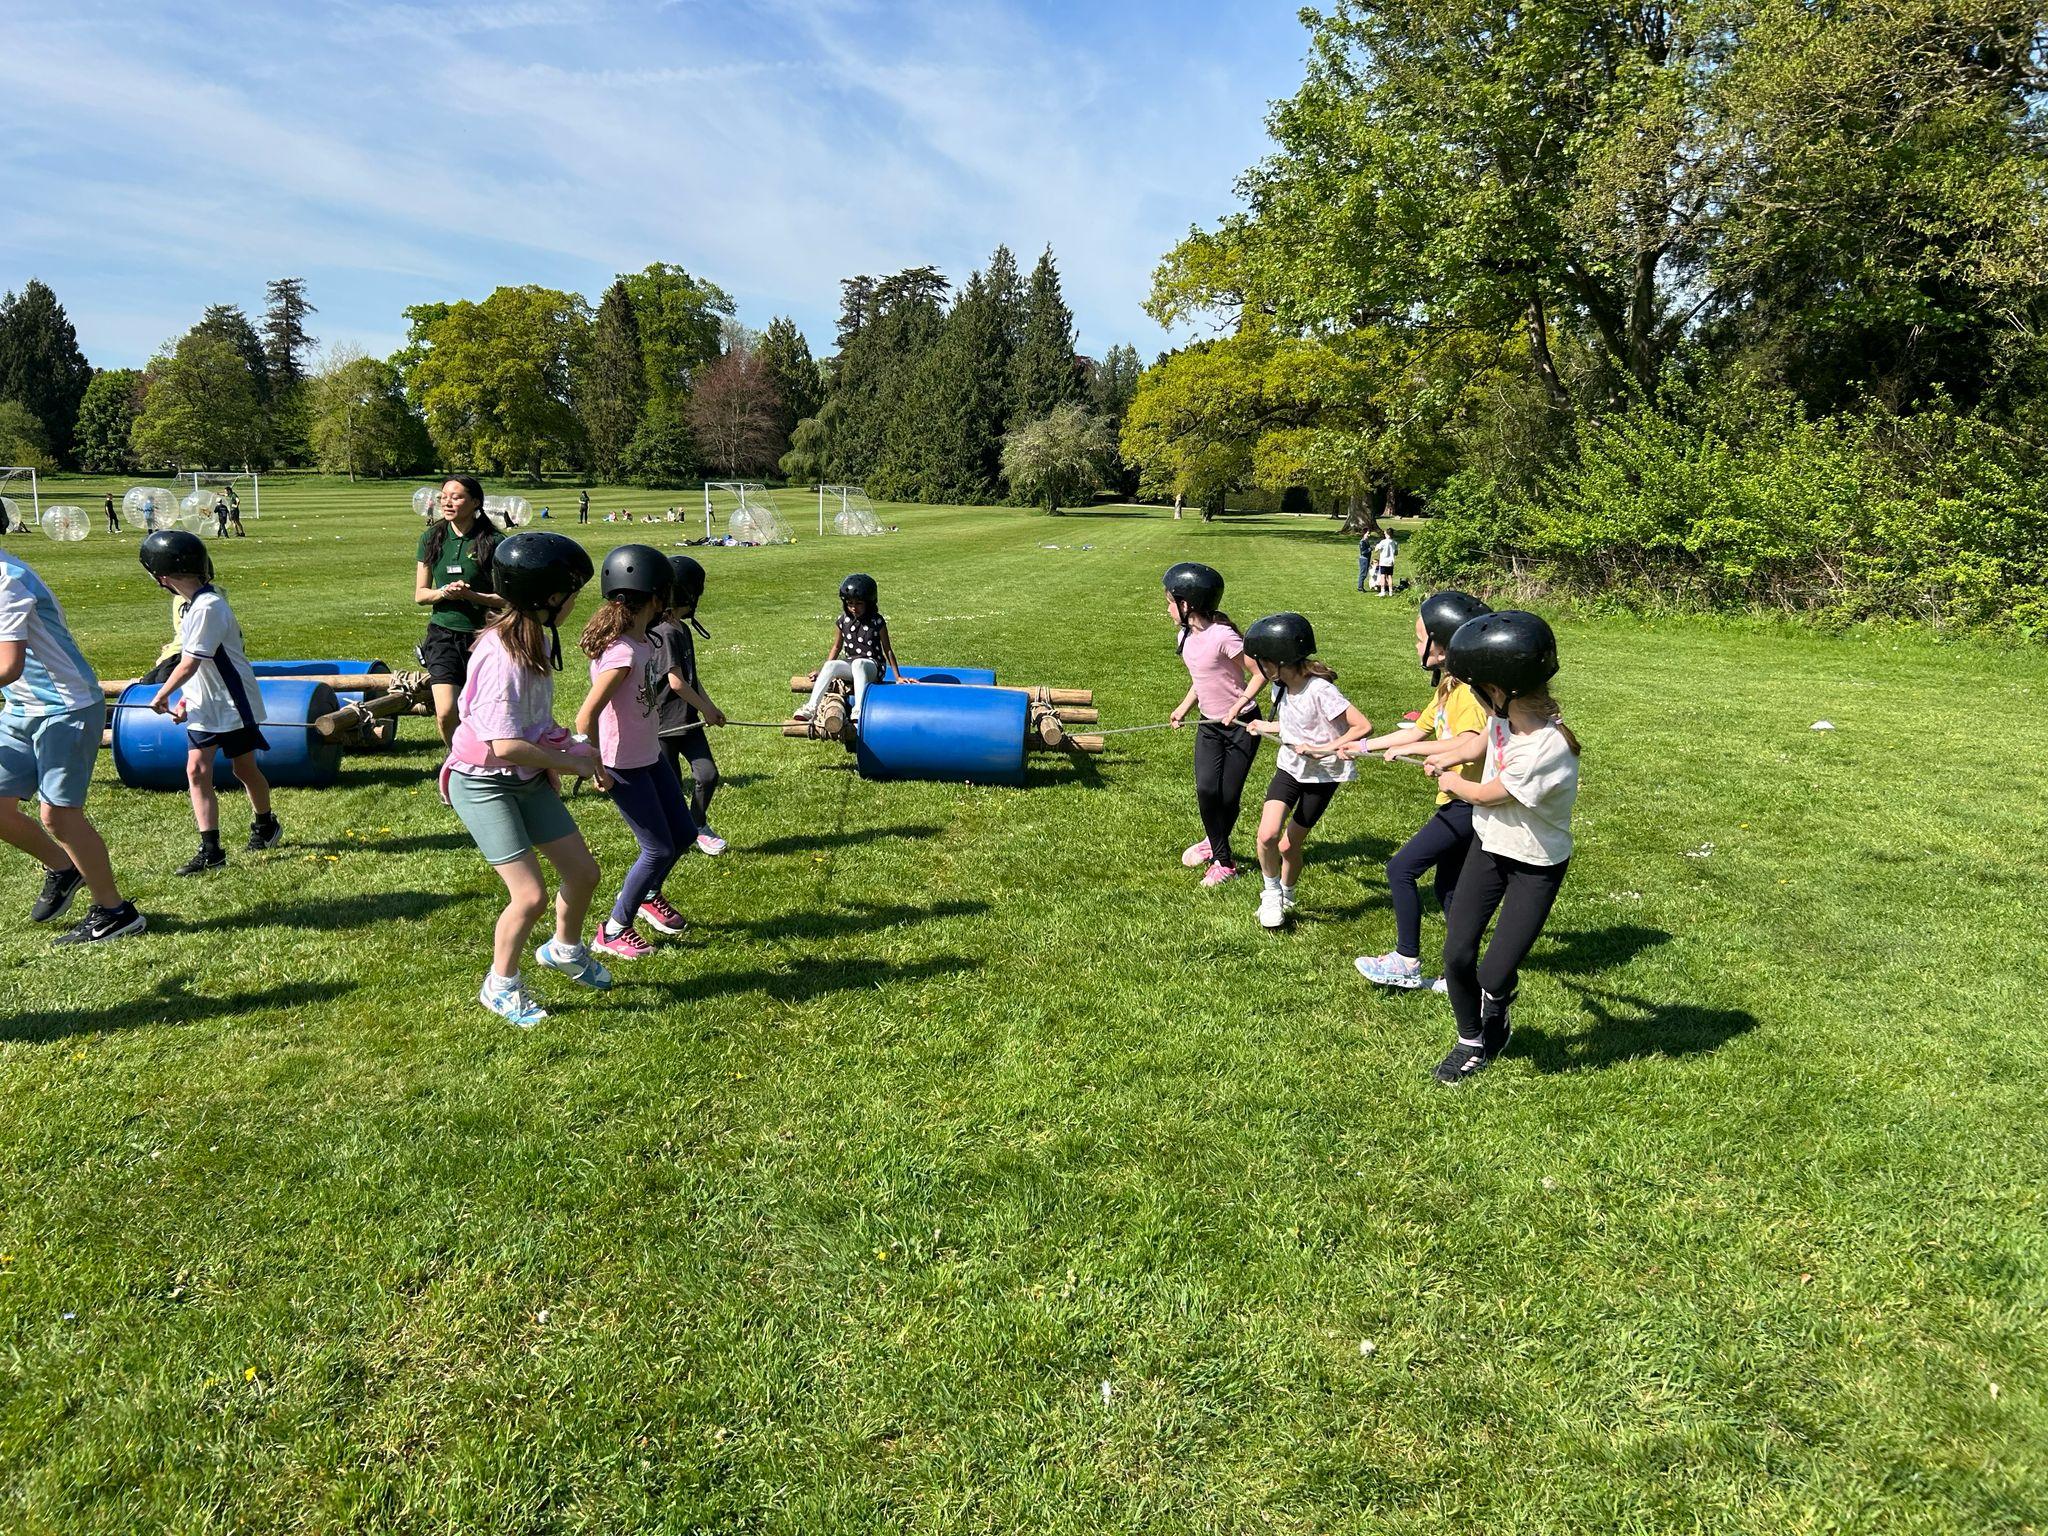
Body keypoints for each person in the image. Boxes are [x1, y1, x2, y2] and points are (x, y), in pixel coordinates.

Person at [443, 531, 610, 1027]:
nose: (575, 602)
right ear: (548, 597)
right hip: (483, 782)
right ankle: (500, 985)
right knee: (530, 895)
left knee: (583, 873)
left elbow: (530, 725)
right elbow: (503, 744)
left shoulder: (532, 636)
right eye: (572, 593)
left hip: (525, 775)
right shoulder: (503, 656)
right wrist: (573, 764)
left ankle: (564, 949)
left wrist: (572, 749)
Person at [1421, 610, 1580, 1083]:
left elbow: (1489, 793)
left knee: (1493, 974)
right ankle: (1471, 1041)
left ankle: (1499, 1001)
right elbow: (1476, 748)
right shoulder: (1503, 719)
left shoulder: (1546, 748)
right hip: (1489, 847)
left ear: (1497, 689)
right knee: (1456, 955)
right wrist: (1442, 756)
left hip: (1535, 864)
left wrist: (1453, 782)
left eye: (1475, 686)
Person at [1348, 590, 1493, 990]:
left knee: (1401, 869)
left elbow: (1467, 741)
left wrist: (1413, 750)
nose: (1415, 646)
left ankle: (1407, 960)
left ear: (1443, 645)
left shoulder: (1468, 694)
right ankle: (1463, 973)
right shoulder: (1449, 686)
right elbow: (1417, 730)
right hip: (1459, 799)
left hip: (1467, 800)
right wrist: (1360, 746)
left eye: (1419, 638)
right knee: (1448, 888)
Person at [0, 547, 145, 944]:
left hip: (67, 706)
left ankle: (115, 912)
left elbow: (9, 664)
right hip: (21, 707)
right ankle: (64, 868)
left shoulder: (7, 580)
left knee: (59, 816)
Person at [572, 546, 699, 960]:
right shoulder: (623, 652)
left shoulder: (641, 640)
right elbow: (585, 715)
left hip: (649, 755)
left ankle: (646, 895)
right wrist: (595, 766)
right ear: (656, 597)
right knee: (657, 848)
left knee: (684, 834)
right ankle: (613, 929)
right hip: (623, 764)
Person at [138, 530, 282, 874]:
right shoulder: (192, 606)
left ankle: (266, 824)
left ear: (162, 577)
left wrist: (162, 694)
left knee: (244, 769)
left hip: (232, 704)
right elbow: (199, 666)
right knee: (196, 770)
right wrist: (187, 699)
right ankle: (211, 849)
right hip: (206, 704)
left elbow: (190, 662)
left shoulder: (208, 607)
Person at [1232, 612, 1371, 930]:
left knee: (1288, 845)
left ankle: (1288, 895)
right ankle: (1271, 894)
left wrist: (1324, 749)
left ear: (1279, 660)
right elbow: (1293, 725)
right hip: (1290, 769)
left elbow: (1362, 726)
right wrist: (1264, 725)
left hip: (1322, 775)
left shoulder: (1321, 690)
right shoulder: (1280, 687)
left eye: (1262, 661)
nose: (1259, 668)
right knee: (1267, 835)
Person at [1162, 562, 1260, 887]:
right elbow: (1201, 679)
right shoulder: (1185, 635)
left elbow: (1258, 673)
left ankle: (1215, 847)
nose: (1167, 608)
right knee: (1206, 789)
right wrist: (1183, 708)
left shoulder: (1223, 636)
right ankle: (1223, 859)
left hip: (1242, 724)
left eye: (1170, 602)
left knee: (1228, 797)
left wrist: (1238, 706)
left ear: (1187, 604)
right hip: (1209, 723)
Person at [414, 476, 505, 746]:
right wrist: (444, 592)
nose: (447, 502)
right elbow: (420, 594)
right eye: (443, 497)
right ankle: (458, 761)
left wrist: (471, 596)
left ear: (475, 502)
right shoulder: (431, 538)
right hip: (443, 635)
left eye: (456, 497)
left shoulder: (494, 541)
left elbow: (507, 600)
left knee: (481, 711)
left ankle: (483, 761)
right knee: (445, 712)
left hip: (485, 637)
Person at [651, 554, 729, 855]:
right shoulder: (665, 633)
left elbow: (691, 678)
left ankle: (697, 824)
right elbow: (675, 682)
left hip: (689, 719)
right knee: (671, 787)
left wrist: (710, 706)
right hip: (665, 725)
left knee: (708, 775)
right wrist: (705, 709)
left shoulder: (682, 630)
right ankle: (675, 835)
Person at [795, 574, 900, 726]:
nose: (854, 608)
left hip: (873, 666)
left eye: (859, 603)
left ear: (869, 603)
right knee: (831, 665)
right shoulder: (843, 620)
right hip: (852, 664)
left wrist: (898, 676)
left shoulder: (877, 621)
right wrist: (822, 671)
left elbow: (887, 649)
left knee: (859, 664)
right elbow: (836, 646)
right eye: (850, 603)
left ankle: (859, 709)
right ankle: (811, 708)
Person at [1374, 529, 1399, 597]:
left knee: (1383, 576)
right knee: (1390, 576)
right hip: (1390, 562)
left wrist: (1377, 545)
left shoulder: (1383, 542)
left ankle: (1383, 591)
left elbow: (1376, 550)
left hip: (1383, 562)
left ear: (1387, 534)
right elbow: (1396, 553)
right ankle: (1390, 592)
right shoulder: (1395, 542)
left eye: (1385, 534)